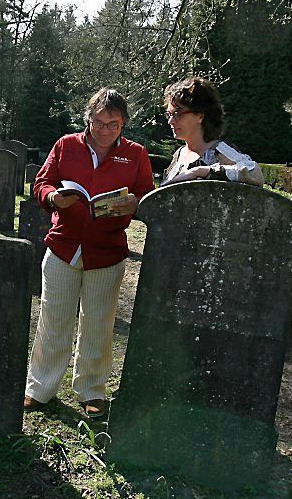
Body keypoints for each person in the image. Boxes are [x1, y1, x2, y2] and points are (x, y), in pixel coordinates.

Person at [24, 88, 155, 418]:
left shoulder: (136, 154)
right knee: (54, 320)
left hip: (107, 252)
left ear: (124, 122)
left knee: (98, 324)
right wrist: (54, 198)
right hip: (63, 247)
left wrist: (135, 203)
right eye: (98, 122)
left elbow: (148, 197)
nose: (105, 130)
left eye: (113, 123)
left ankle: (91, 390)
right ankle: (40, 388)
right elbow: (42, 183)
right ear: (88, 119)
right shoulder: (66, 145)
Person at [161, 77, 264, 187]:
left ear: (200, 116)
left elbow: (255, 174)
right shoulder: (178, 155)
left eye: (178, 114)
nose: (170, 121)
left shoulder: (219, 150)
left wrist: (200, 171)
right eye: (169, 114)